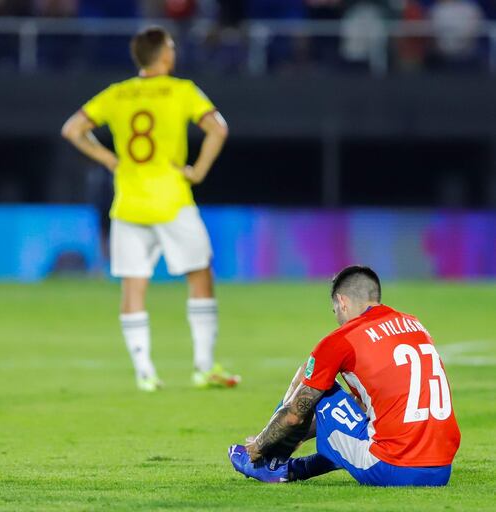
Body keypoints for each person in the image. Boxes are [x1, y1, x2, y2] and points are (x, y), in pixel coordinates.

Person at [61, 26, 238, 391]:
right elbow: (218, 128)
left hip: (128, 203)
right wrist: (198, 171)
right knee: (200, 276)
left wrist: (108, 159)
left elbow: (72, 129)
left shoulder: (118, 94)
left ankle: (144, 372)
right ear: (166, 55)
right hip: (172, 200)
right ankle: (203, 368)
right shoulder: (182, 90)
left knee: (133, 286)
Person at [229, 265, 460, 486]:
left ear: (341, 301)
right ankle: (288, 468)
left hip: (393, 468)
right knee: (359, 411)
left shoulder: (341, 340)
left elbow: (294, 417)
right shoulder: (414, 324)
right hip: (441, 470)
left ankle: (267, 463)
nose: (337, 318)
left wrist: (259, 445)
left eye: (335, 311)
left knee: (311, 376)